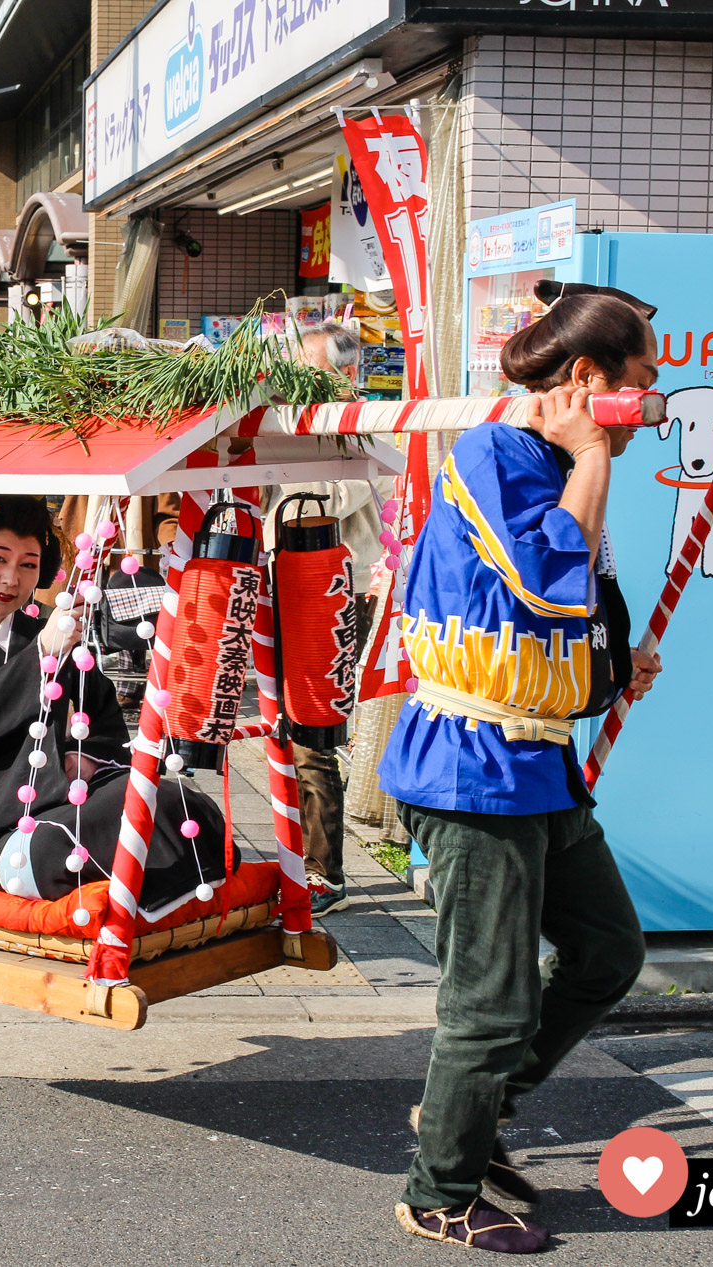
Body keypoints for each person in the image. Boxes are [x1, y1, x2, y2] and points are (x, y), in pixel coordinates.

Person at [379, 285, 661, 1253]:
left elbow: (570, 635)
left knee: (608, 949)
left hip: (539, 764)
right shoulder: (497, 454)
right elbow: (547, 585)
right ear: (586, 381)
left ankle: (475, 1110)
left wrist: (618, 666)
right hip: (470, 768)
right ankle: (438, 1188)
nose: (650, 401)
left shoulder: (568, 469)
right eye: (640, 380)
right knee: (491, 1003)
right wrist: (589, 452)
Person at [0, 496, 233, 910]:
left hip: (63, 799)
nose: (10, 578)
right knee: (57, 845)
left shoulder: (48, 633)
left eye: (27, 564)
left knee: (172, 802)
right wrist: (41, 654)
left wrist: (89, 759)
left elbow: (103, 718)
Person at [280, 321, 384, 917]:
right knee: (281, 727)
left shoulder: (353, 427)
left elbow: (334, 496)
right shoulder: (297, 420)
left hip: (338, 591)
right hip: (283, 581)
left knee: (312, 732)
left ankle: (325, 871)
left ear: (342, 375)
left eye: (310, 369)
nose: (297, 381)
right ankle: (296, 860)